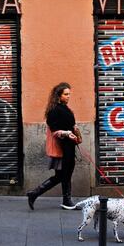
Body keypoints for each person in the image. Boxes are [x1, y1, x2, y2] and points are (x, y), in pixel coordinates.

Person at [26, 82, 81, 210]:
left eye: (69, 94)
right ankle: (36, 194)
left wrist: (74, 129)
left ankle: (64, 200)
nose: (68, 96)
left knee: (64, 175)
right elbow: (55, 130)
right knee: (62, 175)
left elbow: (68, 124)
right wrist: (67, 133)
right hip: (61, 149)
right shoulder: (54, 111)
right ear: (59, 95)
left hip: (68, 147)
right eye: (66, 94)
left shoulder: (65, 108)